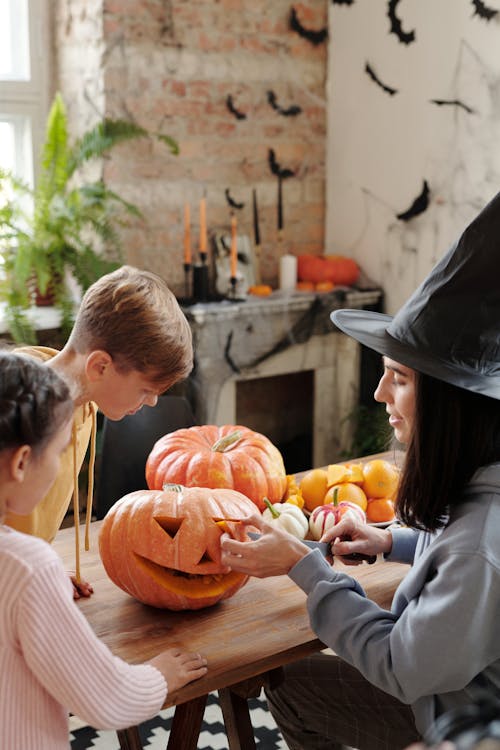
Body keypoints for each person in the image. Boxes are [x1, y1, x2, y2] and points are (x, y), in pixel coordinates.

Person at [220, 189, 500, 750]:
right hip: (448, 690)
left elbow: (401, 666)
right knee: (293, 681)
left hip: (455, 724)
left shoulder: (480, 542)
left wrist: (306, 567)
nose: (378, 393)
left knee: (291, 687)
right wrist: (390, 541)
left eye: (399, 377)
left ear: (450, 401)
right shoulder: (482, 477)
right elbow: (452, 547)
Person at [0, 351, 207, 750]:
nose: (62, 469)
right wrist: (160, 674)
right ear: (23, 462)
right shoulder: (28, 567)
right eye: (60, 452)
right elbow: (107, 700)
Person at [5, 265, 193, 595]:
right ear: (100, 367)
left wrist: (38, 570)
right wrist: (24, 576)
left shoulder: (85, 406)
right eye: (146, 390)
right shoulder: (11, 403)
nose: (150, 403)